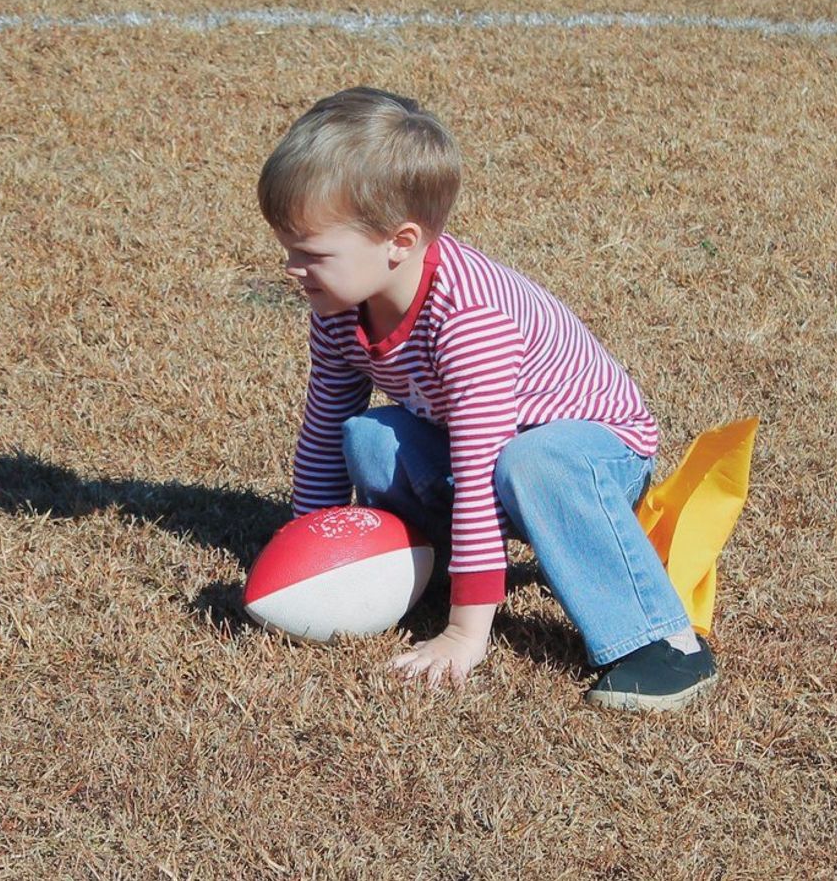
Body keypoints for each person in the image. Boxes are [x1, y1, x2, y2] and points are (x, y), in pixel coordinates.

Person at [256, 87, 717, 711]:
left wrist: (467, 633)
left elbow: (479, 465)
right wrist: (305, 546)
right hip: (491, 452)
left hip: (590, 455)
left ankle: (657, 640)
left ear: (400, 241)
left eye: (311, 253)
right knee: (366, 437)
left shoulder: (471, 316)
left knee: (527, 461)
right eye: (289, 248)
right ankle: (430, 567)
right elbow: (324, 423)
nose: (292, 268)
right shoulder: (339, 305)